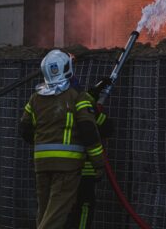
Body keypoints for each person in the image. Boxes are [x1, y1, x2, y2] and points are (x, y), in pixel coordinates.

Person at [18, 50, 106, 229]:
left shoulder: (35, 99)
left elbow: (24, 129)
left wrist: (43, 143)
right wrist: (99, 163)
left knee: (44, 213)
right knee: (55, 217)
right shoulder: (76, 97)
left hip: (42, 165)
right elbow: (89, 131)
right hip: (67, 168)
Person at [65, 78, 114, 229]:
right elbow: (106, 128)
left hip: (59, 170)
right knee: (84, 205)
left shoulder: (54, 106)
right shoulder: (85, 110)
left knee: (61, 209)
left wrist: (92, 95)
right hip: (83, 170)